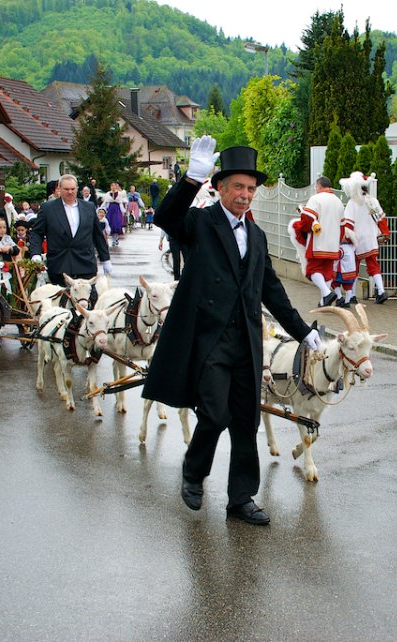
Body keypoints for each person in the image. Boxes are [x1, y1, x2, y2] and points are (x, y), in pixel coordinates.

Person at [143, 137, 322, 526]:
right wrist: (191, 179)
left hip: (247, 343)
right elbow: (166, 218)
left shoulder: (256, 236)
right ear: (221, 188)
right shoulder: (200, 222)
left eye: (250, 189)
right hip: (210, 341)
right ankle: (193, 472)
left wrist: (302, 331)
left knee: (246, 421)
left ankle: (241, 499)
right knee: (214, 413)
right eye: (238, 187)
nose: (245, 195)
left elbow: (272, 290)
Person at [28, 174, 112, 286]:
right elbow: (37, 233)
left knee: (87, 296)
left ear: (77, 189)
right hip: (59, 265)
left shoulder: (89, 207)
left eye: (73, 189)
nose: (70, 192)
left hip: (85, 264)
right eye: (66, 189)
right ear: (59, 189)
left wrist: (105, 259)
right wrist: (36, 254)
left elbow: (97, 235)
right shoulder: (48, 208)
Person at [291, 177, 345, 307]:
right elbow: (343, 226)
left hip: (318, 241)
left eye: (316, 187)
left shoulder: (315, 199)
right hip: (333, 243)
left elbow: (307, 220)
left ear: (319, 186)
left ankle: (327, 293)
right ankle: (324, 301)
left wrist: (302, 228)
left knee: (312, 269)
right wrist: (338, 240)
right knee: (327, 272)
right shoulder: (338, 202)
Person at [343, 171, 390, 304]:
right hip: (371, 237)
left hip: (356, 239)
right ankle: (381, 291)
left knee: (353, 266)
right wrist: (385, 233)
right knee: (373, 265)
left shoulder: (353, 202)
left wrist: (346, 238)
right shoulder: (372, 200)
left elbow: (348, 223)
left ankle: (351, 295)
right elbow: (381, 218)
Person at [100, 182, 128, 246]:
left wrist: (123, 211)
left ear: (116, 187)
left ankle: (116, 238)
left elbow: (121, 202)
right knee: (110, 224)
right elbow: (105, 202)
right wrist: (101, 209)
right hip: (110, 210)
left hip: (117, 210)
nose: (113, 187)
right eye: (112, 186)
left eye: (114, 186)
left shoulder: (120, 194)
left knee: (116, 224)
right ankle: (113, 239)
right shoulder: (108, 194)